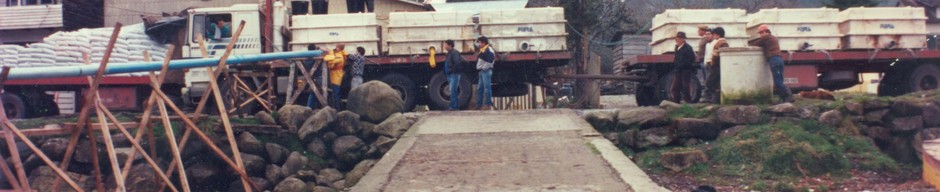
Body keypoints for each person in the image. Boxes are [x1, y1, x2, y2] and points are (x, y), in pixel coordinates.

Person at [749, 25, 794, 103]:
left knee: (777, 81)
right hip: (779, 59)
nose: (760, 35)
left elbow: (755, 44)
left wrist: (748, 43)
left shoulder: (766, 37)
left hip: (774, 60)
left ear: (765, 32)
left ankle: (789, 96)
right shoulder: (773, 38)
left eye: (761, 33)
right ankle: (783, 99)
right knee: (780, 79)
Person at [669, 32, 695, 103]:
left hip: (685, 70)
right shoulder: (677, 47)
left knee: (685, 85)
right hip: (678, 70)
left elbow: (691, 59)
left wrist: (682, 65)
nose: (677, 40)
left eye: (680, 38)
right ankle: (676, 100)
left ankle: (688, 100)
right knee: (676, 86)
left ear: (683, 39)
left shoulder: (688, 48)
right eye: (677, 38)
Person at [706, 27, 729, 104]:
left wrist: (712, 63)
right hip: (717, 65)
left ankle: (712, 99)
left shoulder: (721, 43)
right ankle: (715, 100)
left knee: (709, 82)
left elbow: (717, 56)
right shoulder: (721, 42)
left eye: (714, 34)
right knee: (715, 83)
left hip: (716, 66)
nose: (713, 36)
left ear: (718, 35)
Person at [444, 39, 467, 110]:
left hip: (454, 74)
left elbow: (457, 63)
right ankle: (454, 106)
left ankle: (454, 107)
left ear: (450, 45)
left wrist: (452, 71)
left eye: (445, 45)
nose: (444, 46)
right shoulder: (449, 53)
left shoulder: (454, 53)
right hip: (451, 74)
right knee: (452, 90)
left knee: (453, 90)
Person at [323, 44, 348, 109]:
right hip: (335, 75)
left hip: (337, 76)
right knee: (336, 93)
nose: (335, 48)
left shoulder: (339, 56)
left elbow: (329, 62)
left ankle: (337, 109)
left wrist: (330, 54)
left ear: (340, 48)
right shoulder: (339, 55)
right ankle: (338, 108)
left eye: (337, 47)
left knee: (336, 93)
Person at [475, 36, 496, 110]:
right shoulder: (483, 49)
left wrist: (483, 68)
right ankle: (479, 105)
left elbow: (490, 61)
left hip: (485, 71)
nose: (479, 44)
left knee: (487, 88)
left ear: (483, 43)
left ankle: (487, 105)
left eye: (480, 42)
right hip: (482, 71)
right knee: (480, 88)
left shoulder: (488, 50)